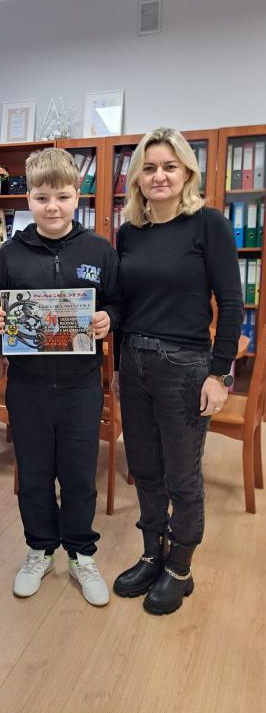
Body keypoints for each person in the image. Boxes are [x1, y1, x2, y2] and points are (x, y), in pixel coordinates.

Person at [112, 127, 243, 615]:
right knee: (144, 469)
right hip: (134, 362)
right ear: (137, 178)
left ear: (187, 172)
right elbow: (124, 304)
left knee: (182, 477)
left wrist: (220, 375)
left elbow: (231, 304)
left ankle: (180, 568)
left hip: (185, 368)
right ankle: (153, 553)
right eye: (149, 168)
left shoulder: (209, 225)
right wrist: (115, 353)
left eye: (170, 166)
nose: (159, 176)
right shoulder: (129, 232)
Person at [0, 148, 120, 606]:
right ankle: (40, 549)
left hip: (82, 385)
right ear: (28, 199)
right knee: (34, 473)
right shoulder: (9, 255)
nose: (53, 207)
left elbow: (118, 302)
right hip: (28, 386)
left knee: (80, 474)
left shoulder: (99, 250)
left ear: (77, 196)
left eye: (62, 197)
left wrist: (108, 318)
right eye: (42, 197)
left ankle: (81, 553)